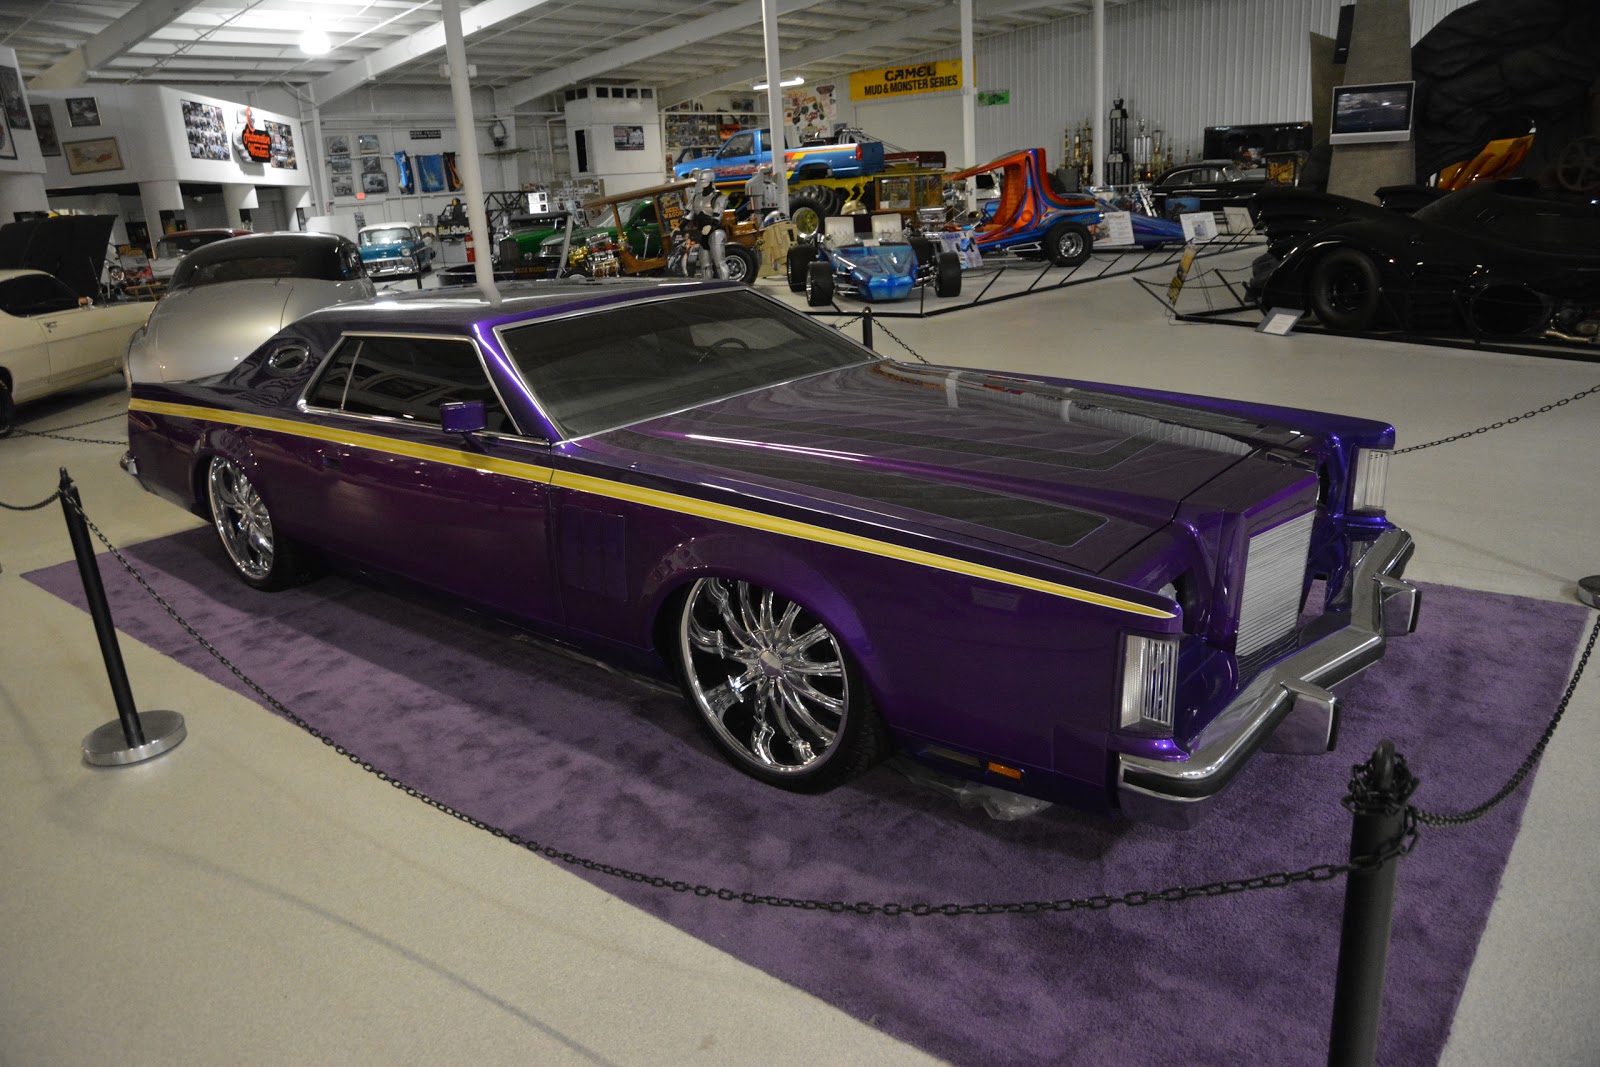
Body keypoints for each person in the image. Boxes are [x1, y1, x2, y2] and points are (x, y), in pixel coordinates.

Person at [687, 168, 729, 279]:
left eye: (704, 180)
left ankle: (726, 285)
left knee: (719, 263)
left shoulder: (719, 197)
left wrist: (710, 226)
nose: (702, 183)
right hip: (702, 234)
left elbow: (717, 216)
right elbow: (689, 215)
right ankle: (708, 286)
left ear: (711, 180)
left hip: (715, 232)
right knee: (705, 266)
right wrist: (680, 227)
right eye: (701, 181)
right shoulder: (696, 197)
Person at [743, 162, 783, 226]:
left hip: (773, 212)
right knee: (758, 227)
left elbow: (779, 194)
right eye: (766, 174)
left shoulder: (774, 184)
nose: (767, 175)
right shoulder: (752, 183)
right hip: (759, 213)